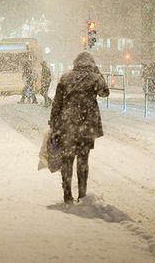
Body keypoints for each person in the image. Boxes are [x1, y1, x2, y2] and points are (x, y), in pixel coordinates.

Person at [49, 52, 109, 204]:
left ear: (75, 63)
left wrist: (54, 122)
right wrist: (97, 72)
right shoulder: (94, 78)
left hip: (67, 125)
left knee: (67, 159)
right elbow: (105, 92)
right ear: (91, 64)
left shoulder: (65, 78)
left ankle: (67, 195)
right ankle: (82, 195)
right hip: (86, 127)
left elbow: (57, 103)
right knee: (83, 160)